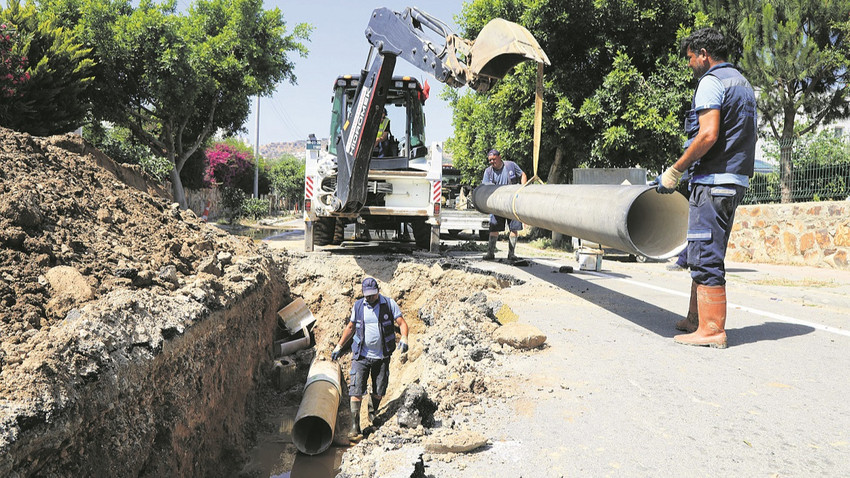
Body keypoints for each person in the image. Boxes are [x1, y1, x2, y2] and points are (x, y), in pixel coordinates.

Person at [654, 27, 757, 349]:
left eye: (689, 58)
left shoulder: (711, 82)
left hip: (714, 181)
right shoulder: (741, 82)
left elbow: (708, 134)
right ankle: (695, 319)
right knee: (702, 251)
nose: (689, 65)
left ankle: (711, 330)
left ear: (703, 54)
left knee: (705, 254)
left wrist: (676, 170)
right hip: (733, 179)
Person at [331, 277, 409, 441]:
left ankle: (372, 417)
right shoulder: (359, 306)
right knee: (356, 390)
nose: (370, 298)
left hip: (382, 357)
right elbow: (351, 327)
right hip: (361, 356)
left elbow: (402, 323)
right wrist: (339, 345)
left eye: (373, 295)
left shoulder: (388, 304)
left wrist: (404, 338)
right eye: (367, 295)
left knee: (379, 390)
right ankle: (355, 426)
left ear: (378, 291)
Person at [481, 149, 527, 261]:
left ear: (499, 157)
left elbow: (523, 174)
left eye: (493, 159)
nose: (492, 162)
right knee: (494, 228)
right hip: (497, 205)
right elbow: (485, 187)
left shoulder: (510, 165)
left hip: (512, 204)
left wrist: (523, 189)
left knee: (514, 228)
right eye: (490, 160)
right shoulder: (488, 172)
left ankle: (511, 254)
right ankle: (490, 253)